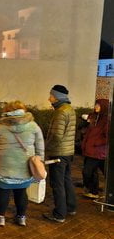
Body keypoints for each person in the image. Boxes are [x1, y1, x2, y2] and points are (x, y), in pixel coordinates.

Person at [0, 101, 44, 227]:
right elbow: (40, 145)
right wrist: (39, 159)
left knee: (3, 191)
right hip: (25, 165)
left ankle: (1, 218)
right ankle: (21, 217)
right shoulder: (33, 126)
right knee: (21, 192)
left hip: (4, 164)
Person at [43, 85, 77, 223]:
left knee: (57, 183)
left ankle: (59, 214)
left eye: (51, 95)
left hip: (59, 153)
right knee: (66, 180)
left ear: (57, 97)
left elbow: (57, 135)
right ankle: (70, 207)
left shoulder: (60, 112)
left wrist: (46, 147)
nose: (49, 98)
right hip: (68, 152)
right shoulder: (70, 109)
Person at [81, 99, 109, 199]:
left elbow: (108, 137)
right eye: (95, 104)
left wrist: (95, 143)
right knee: (92, 172)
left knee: (88, 171)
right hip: (91, 151)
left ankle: (95, 191)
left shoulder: (107, 121)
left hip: (98, 152)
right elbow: (88, 132)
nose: (95, 106)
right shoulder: (94, 117)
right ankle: (94, 192)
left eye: (98, 105)